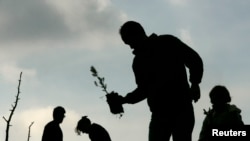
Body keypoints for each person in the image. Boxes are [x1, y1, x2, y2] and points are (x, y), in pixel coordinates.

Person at [116, 21, 204, 141]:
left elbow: (194, 60)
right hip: (163, 113)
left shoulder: (167, 42)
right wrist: (125, 100)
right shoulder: (139, 61)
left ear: (138, 34)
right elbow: (144, 90)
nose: (131, 47)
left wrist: (195, 83)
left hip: (179, 108)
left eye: (130, 42)